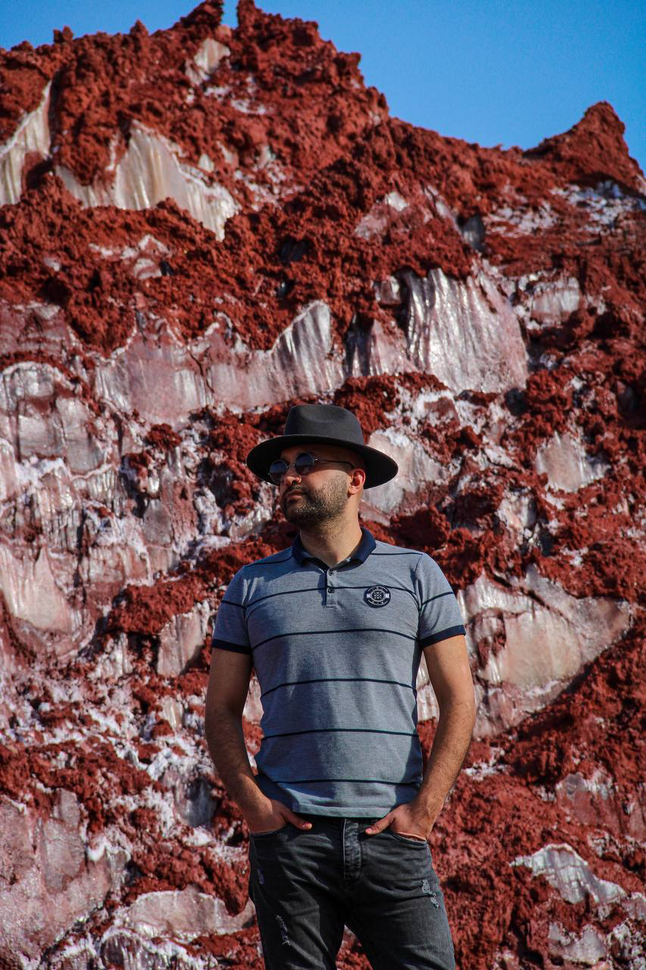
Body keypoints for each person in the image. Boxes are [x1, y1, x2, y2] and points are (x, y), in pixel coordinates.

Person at [205, 403, 476, 970]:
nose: (289, 477)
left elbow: (459, 700)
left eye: (306, 461)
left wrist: (423, 812)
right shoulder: (250, 586)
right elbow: (222, 709)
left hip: (393, 837)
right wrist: (255, 807)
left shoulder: (416, 574)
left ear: (355, 479)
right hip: (292, 845)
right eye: (280, 468)